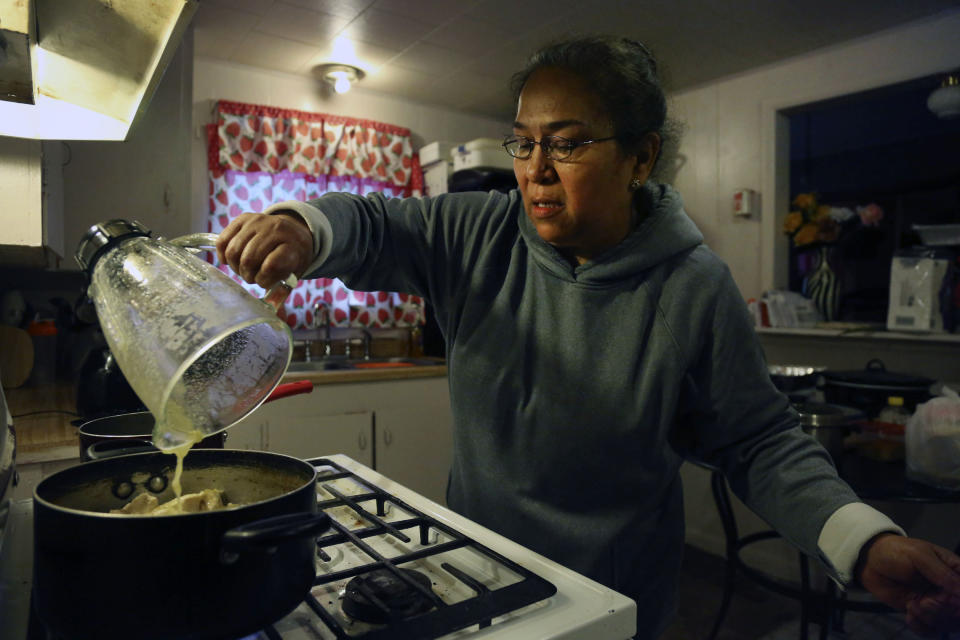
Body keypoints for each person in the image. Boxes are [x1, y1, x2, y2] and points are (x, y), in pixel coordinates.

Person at [217, 36, 960, 638]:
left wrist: (861, 540)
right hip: (474, 567)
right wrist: (304, 227)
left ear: (640, 158)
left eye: (567, 145)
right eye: (524, 143)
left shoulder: (690, 285)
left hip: (612, 596)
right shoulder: (476, 232)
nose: (536, 171)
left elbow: (758, 439)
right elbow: (373, 222)